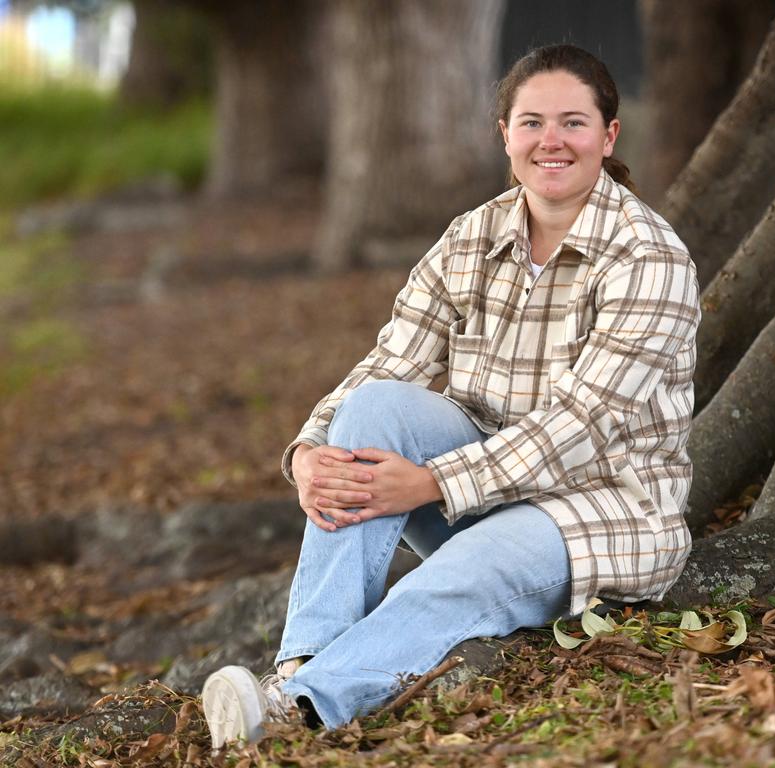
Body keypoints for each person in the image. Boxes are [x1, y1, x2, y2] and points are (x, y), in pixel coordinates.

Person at [201, 43, 701, 748]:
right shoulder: (471, 237)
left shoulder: (650, 259)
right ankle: (306, 659)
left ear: (608, 135)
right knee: (374, 411)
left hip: (602, 515)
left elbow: (581, 424)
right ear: (505, 135)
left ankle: (300, 708)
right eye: (531, 123)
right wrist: (311, 452)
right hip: (486, 488)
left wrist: (432, 481)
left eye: (573, 123)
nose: (550, 141)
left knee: (474, 565)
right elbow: (389, 362)